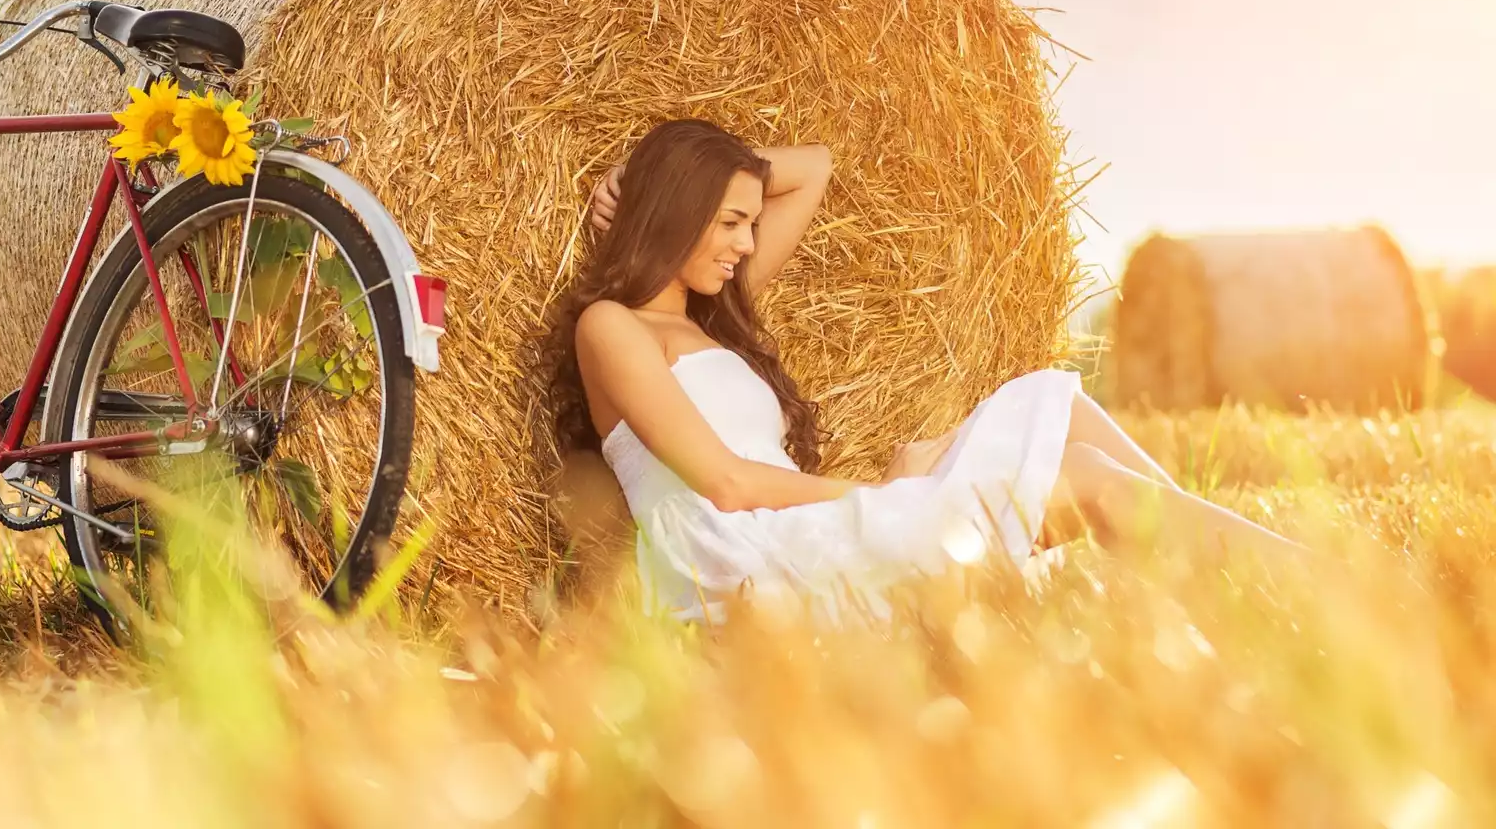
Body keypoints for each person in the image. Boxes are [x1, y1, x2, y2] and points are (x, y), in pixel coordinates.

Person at [542, 118, 1304, 623]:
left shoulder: (709, 317)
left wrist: (652, 174)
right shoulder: (611, 327)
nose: (746, 243)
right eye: (731, 221)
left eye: (750, 221)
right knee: (1087, 480)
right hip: (744, 564)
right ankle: (1318, 590)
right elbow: (728, 483)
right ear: (675, 212)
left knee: (1050, 401)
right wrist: (890, 491)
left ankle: (1235, 587)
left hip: (795, 529)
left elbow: (814, 170)